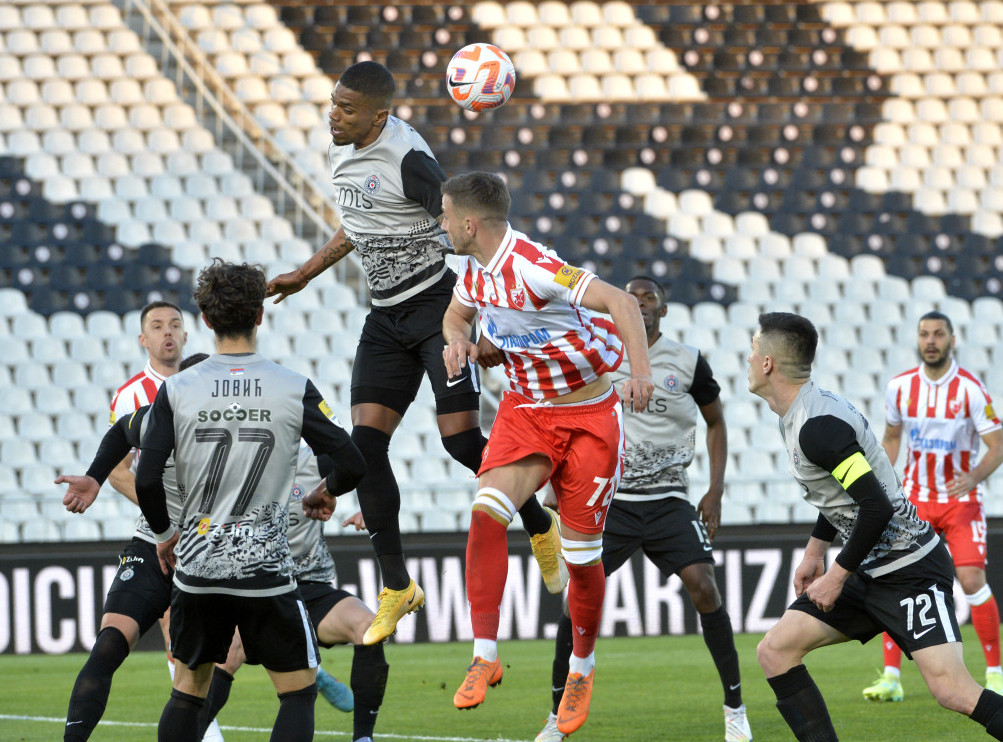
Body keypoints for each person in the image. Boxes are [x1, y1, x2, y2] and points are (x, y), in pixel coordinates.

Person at [266, 60, 562, 646]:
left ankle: (537, 518)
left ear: (379, 116)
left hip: (436, 310)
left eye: (347, 109)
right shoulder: (342, 150)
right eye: (333, 102)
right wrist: (305, 274)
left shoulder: (409, 161)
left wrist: (490, 322)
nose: (334, 114)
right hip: (385, 316)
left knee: (459, 442)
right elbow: (360, 223)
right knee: (364, 447)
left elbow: (473, 229)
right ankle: (397, 585)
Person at [440, 172, 654, 736]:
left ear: (469, 223)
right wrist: (460, 340)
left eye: (443, 216)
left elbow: (622, 302)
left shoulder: (535, 264)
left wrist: (641, 373)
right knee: (486, 512)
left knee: (582, 563)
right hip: (526, 412)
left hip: (588, 417)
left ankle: (581, 670)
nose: (439, 224)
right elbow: (457, 313)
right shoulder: (471, 268)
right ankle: (485, 653)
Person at [134, 259, 366, 742]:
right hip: (266, 571)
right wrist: (327, 491)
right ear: (260, 315)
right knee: (297, 693)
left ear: (204, 320)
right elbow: (352, 459)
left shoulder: (175, 389)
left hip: (198, 569)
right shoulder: (293, 386)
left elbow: (149, 479)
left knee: (188, 691)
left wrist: (163, 536)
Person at [748, 311, 1003, 741]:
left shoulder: (816, 427)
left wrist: (835, 575)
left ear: (769, 363)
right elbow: (839, 497)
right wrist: (814, 553)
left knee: (953, 692)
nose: (749, 359)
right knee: (775, 651)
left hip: (910, 569)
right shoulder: (801, 413)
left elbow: (876, 506)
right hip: (868, 566)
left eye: (753, 351)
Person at [532, 276, 752, 742]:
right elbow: (565, 420)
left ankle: (735, 707)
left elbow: (716, 422)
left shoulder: (689, 361)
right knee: (576, 604)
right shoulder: (598, 358)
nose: (639, 303)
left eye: (648, 297)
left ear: (663, 310)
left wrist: (715, 489)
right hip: (609, 502)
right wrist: (556, 481)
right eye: (631, 297)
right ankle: (556, 718)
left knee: (705, 588)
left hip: (670, 499)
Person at [58, 352, 237, 741]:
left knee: (195, 675)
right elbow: (121, 430)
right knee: (109, 644)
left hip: (208, 556)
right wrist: (94, 478)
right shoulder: (160, 418)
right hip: (152, 543)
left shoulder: (238, 429)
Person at [863, 311, 1003, 702]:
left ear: (951, 340)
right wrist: (884, 481)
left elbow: (999, 444)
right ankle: (891, 678)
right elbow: (891, 437)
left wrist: (974, 477)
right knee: (896, 579)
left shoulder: (971, 390)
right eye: (924, 334)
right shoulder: (900, 387)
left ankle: (995, 674)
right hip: (916, 500)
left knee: (972, 580)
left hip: (960, 502)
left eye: (938, 334)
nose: (930, 340)